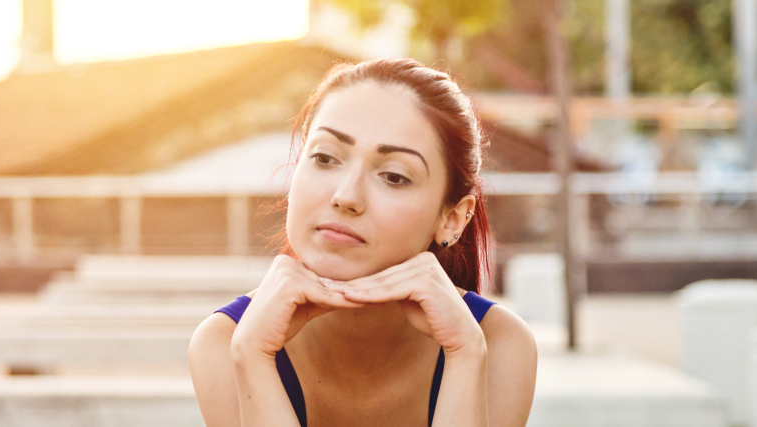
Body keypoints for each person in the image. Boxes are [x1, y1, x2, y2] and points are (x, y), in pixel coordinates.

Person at [188, 58, 537, 427]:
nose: (346, 195)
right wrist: (253, 357)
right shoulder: (227, 342)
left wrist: (464, 354)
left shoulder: (496, 345)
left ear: (451, 218)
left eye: (394, 176)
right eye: (324, 157)